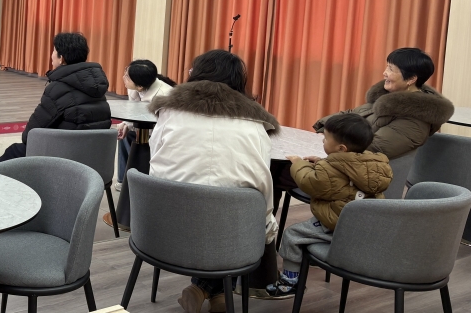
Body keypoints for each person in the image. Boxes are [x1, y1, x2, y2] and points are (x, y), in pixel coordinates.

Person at [147, 49, 278, 313]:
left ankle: (207, 291)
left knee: (213, 209)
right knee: (244, 219)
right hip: (230, 235)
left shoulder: (168, 112)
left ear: (196, 75)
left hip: (162, 227)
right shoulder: (255, 125)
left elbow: (155, 164)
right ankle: (213, 292)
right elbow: (263, 190)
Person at [265, 113, 393, 298]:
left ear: (341, 148)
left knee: (292, 235)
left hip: (337, 223)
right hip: (365, 224)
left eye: (325, 138)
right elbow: (345, 174)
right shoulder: (373, 164)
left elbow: (309, 182)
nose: (323, 141)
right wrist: (322, 162)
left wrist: (298, 164)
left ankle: (289, 282)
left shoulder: (330, 169)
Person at [0, 32, 111, 168]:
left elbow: (30, 134)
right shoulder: (97, 88)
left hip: (63, 160)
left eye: (54, 51)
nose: (52, 55)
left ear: (61, 58)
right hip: (92, 160)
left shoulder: (58, 89)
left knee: (15, 151)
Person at [314, 47, 454, 159]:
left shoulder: (415, 120)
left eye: (391, 69)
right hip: (341, 158)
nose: (384, 73)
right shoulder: (386, 98)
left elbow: (375, 148)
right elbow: (350, 115)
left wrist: (331, 142)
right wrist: (325, 130)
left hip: (359, 176)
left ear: (411, 79)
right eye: (387, 67)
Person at [114, 60, 176, 190]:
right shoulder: (134, 88)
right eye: (125, 72)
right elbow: (134, 112)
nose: (123, 77)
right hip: (145, 127)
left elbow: (164, 126)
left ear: (140, 87)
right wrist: (126, 124)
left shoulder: (165, 95)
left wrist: (132, 127)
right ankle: (124, 180)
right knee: (125, 134)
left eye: (127, 76)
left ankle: (141, 180)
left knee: (135, 138)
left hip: (161, 134)